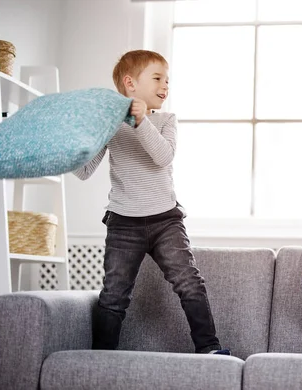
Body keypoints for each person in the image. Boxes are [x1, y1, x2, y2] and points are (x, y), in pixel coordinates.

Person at [73, 50, 229, 355]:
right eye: (158, 78)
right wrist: (78, 139)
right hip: (122, 223)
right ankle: (101, 357)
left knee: (190, 283)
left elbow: (162, 157)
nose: (165, 84)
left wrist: (141, 119)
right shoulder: (110, 126)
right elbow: (83, 171)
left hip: (165, 221)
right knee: (114, 295)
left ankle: (210, 348)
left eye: (167, 79)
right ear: (131, 83)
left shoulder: (166, 120)